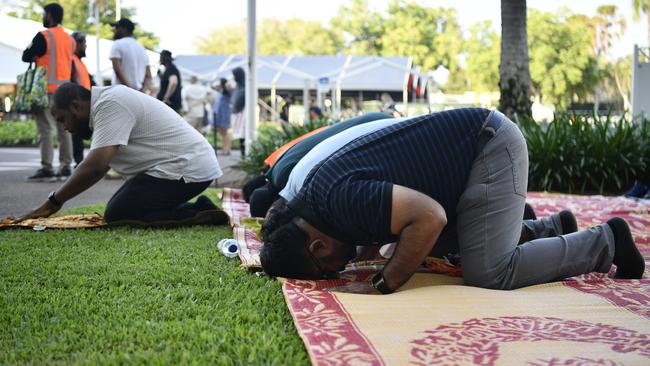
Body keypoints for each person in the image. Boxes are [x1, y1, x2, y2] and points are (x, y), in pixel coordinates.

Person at [260, 108, 645, 294]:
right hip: (472, 156)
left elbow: (429, 218)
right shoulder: (321, 201)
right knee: (421, 249)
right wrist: (383, 257)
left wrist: (383, 284)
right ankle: (548, 230)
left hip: (489, 147)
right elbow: (380, 226)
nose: (340, 269)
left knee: (490, 273)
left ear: (317, 245)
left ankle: (606, 243)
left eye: (327, 268)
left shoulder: (338, 201)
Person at [16, 83, 225, 226]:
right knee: (119, 207)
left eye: (63, 119)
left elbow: (95, 166)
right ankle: (199, 207)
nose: (64, 128)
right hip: (178, 168)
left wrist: (52, 203)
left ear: (76, 106)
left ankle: (198, 214)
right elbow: (96, 163)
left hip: (187, 168)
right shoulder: (107, 103)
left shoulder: (110, 103)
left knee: (118, 213)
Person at [21, 3, 74, 181]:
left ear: (50, 15)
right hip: (65, 91)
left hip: (45, 91)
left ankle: (47, 167)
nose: (43, 18)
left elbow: (26, 56)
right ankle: (66, 166)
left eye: (44, 14)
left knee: (45, 129)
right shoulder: (69, 39)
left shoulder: (43, 36)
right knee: (64, 129)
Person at [109, 18, 151, 92]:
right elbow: (148, 76)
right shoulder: (142, 48)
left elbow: (117, 70)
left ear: (124, 29)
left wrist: (130, 89)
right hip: (138, 95)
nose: (114, 30)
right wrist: (142, 91)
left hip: (121, 93)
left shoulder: (117, 44)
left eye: (117, 28)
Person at [70, 31, 93, 166]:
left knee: (80, 135)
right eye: (84, 43)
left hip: (83, 102)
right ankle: (79, 162)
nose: (85, 46)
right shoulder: (72, 60)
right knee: (76, 134)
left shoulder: (79, 62)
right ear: (77, 44)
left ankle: (80, 161)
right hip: (78, 102)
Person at [212, 78, 232, 155]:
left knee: (225, 132)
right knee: (222, 132)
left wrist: (225, 83)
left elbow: (228, 87)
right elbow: (213, 86)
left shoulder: (226, 91)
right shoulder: (220, 91)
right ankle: (225, 148)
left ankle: (226, 149)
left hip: (224, 114)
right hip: (219, 114)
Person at [230, 67, 246, 156]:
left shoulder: (245, 87)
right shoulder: (238, 86)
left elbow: (240, 100)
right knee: (241, 136)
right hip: (237, 114)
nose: (233, 77)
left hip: (243, 114)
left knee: (244, 134)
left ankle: (244, 154)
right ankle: (242, 154)